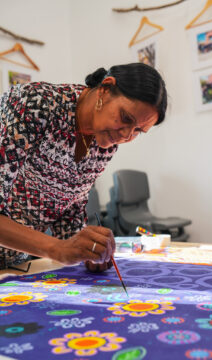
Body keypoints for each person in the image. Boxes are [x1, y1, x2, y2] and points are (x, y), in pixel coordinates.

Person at [0, 62, 167, 272]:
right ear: (105, 89)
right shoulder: (35, 104)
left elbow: (67, 207)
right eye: (125, 118)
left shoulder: (104, 142)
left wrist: (87, 248)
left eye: (137, 131)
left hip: (19, 264)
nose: (126, 135)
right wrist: (57, 248)